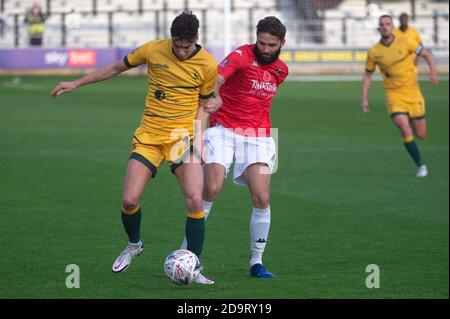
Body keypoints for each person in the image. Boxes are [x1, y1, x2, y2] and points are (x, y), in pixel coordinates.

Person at [50, 12, 218, 284]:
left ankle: (193, 266)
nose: (181, 50)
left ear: (196, 39)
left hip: (182, 138)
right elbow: (116, 68)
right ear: (171, 38)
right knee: (129, 200)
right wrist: (76, 83)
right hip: (150, 135)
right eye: (177, 44)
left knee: (196, 200)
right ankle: (134, 245)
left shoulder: (208, 64)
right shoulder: (153, 50)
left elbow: (204, 103)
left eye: (187, 46)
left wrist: (198, 140)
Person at [181, 16, 289, 278]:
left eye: (271, 45)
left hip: (259, 135)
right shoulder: (241, 54)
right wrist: (215, 95)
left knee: (262, 197)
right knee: (211, 187)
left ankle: (256, 262)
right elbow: (217, 79)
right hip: (223, 130)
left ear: (281, 43)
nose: (264, 48)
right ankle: (186, 255)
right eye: (261, 42)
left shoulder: (281, 71)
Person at [361, 15, 438, 177]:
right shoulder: (374, 52)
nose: (385, 26)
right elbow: (368, 76)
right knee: (404, 127)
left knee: (421, 134)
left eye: (387, 24)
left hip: (413, 94)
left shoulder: (406, 41)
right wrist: (364, 98)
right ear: (378, 28)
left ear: (392, 26)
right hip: (393, 96)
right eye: (381, 24)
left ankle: (409, 117)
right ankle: (421, 166)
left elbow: (426, 55)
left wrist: (433, 73)